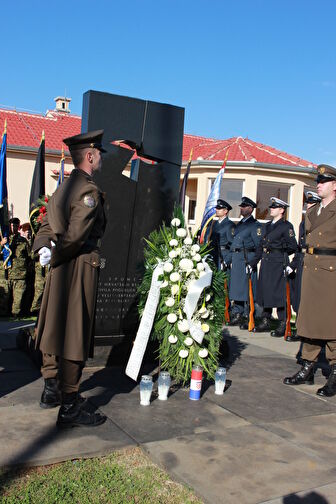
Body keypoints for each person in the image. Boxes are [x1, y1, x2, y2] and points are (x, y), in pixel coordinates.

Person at [33, 130, 107, 426]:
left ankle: (51, 388)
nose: (101, 157)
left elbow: (47, 226)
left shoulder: (63, 189)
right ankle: (70, 404)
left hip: (60, 267)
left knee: (53, 326)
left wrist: (44, 249)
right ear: (89, 156)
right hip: (77, 265)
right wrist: (59, 252)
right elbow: (76, 236)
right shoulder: (88, 191)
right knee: (75, 330)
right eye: (99, 153)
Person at [284, 164, 336, 396]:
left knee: (331, 323)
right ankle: (308, 366)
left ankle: (334, 372)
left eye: (323, 181)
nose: (319, 185)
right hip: (312, 269)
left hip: (331, 272)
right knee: (310, 322)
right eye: (318, 181)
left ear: (335, 185)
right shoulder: (314, 211)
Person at [252, 197, 298, 338]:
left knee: (279, 293)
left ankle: (283, 322)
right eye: (271, 207)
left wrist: (285, 257)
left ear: (282, 210)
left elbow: (293, 247)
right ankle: (265, 319)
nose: (271, 209)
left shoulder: (286, 226)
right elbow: (261, 245)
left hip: (278, 263)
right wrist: (253, 262)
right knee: (265, 290)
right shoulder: (267, 225)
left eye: (274, 207)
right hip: (266, 262)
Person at [228, 197, 262, 329]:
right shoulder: (240, 224)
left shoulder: (255, 225)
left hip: (247, 258)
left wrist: (253, 263)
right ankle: (237, 313)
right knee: (236, 288)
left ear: (251, 209)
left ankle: (248, 315)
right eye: (241, 206)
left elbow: (259, 246)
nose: (241, 208)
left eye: (244, 206)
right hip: (237, 258)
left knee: (247, 290)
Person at [289, 191, 321, 317]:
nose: (308, 206)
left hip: (315, 263)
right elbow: (299, 247)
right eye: (307, 203)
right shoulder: (303, 223)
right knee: (299, 295)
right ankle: (300, 325)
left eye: (311, 203)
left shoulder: (321, 222)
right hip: (302, 261)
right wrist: (292, 265)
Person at [0, 217, 29, 317]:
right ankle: (3, 315)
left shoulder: (23, 241)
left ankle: (16, 315)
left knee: (18, 299)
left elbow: (30, 256)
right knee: (3, 298)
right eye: (12, 225)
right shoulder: (3, 240)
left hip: (19, 274)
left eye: (16, 226)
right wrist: (1, 244)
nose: (14, 228)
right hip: (5, 274)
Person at [207, 199, 235, 270]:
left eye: (219, 208)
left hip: (223, 257)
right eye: (216, 208)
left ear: (225, 211)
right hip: (213, 256)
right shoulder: (214, 224)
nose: (216, 210)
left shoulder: (230, 225)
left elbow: (233, 245)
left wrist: (227, 261)